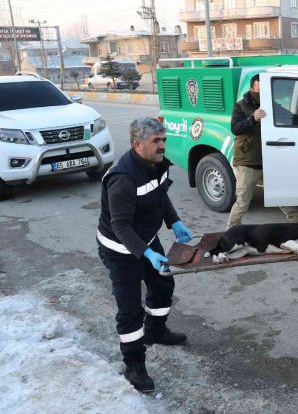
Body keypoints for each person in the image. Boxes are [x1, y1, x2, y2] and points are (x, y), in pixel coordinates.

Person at [97, 117, 193, 393]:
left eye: (164, 139)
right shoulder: (122, 178)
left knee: (163, 285)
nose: (162, 145)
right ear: (138, 145)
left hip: (147, 241)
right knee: (129, 311)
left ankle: (156, 330)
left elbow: (161, 195)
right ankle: (134, 365)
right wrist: (147, 253)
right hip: (120, 250)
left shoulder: (157, 164)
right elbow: (120, 226)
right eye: (156, 141)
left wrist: (173, 221)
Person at [227, 74, 266, 228]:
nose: (262, 94)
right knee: (242, 203)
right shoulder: (241, 106)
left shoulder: (269, 104)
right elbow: (236, 128)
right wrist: (252, 119)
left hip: (269, 159)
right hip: (248, 161)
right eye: (259, 90)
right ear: (251, 88)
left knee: (281, 198)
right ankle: (230, 234)